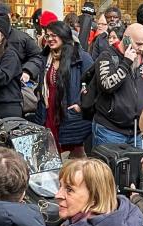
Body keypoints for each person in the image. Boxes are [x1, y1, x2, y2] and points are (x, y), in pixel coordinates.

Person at [33, 21, 93, 158]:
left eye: (54, 35)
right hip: (49, 112)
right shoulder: (45, 56)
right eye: (47, 36)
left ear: (64, 35)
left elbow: (92, 85)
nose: (50, 39)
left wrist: (80, 104)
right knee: (50, 153)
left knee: (75, 155)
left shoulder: (80, 57)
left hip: (68, 114)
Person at [92, 23, 143, 148]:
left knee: (137, 167)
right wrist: (126, 63)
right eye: (138, 44)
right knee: (108, 167)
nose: (141, 48)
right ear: (126, 39)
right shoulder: (107, 56)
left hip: (137, 131)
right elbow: (106, 85)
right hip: (110, 130)